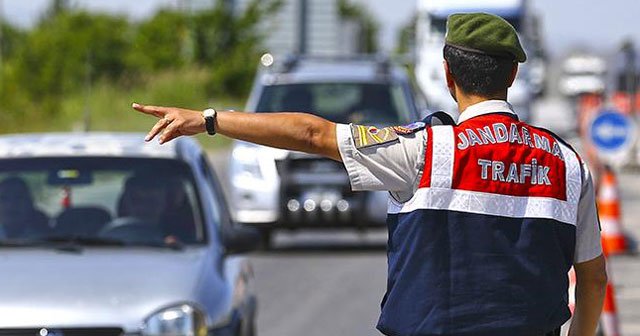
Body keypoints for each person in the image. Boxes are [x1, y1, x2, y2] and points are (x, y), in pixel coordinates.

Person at [132, 13, 607, 336]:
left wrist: (209, 119)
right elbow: (592, 279)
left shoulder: (426, 150)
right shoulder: (569, 164)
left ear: (447, 74)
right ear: (512, 76)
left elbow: (312, 134)